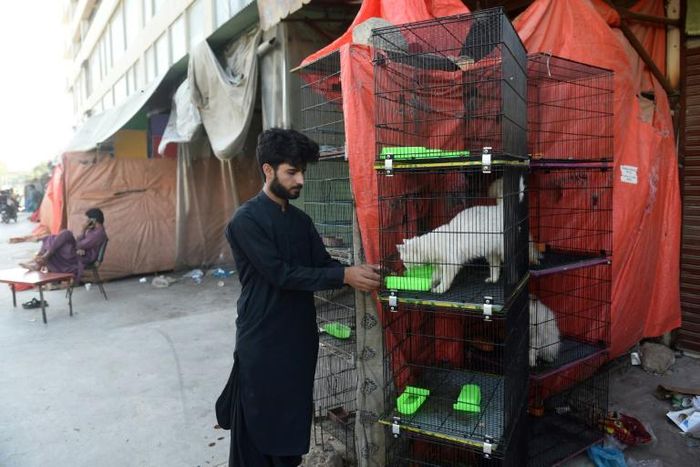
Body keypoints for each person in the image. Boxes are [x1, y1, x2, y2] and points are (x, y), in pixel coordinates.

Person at [221, 129, 380, 466]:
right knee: (259, 424)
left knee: (292, 421)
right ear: (268, 170)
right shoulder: (244, 221)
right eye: (292, 172)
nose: (301, 181)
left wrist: (355, 271)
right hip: (262, 338)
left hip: (298, 339)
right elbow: (282, 274)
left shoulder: (301, 221)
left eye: (302, 172)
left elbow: (322, 265)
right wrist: (343, 275)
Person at [20, 208, 107, 282]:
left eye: (87, 219)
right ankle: (40, 261)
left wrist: (83, 230)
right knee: (52, 238)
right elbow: (80, 244)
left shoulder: (98, 234)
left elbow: (79, 245)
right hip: (79, 253)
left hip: (83, 258)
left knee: (65, 234)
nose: (86, 221)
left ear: (93, 220)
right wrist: (84, 233)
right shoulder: (93, 230)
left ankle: (41, 261)